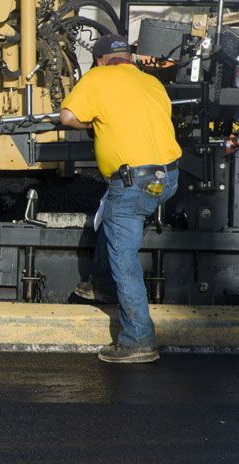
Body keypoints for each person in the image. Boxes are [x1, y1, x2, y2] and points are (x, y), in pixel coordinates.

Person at [60, 34, 182, 364]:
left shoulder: (98, 77)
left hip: (133, 182)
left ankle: (138, 339)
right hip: (166, 178)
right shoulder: (150, 82)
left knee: (125, 260)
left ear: (100, 61)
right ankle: (101, 283)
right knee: (112, 211)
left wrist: (94, 121)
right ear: (128, 58)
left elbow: (68, 117)